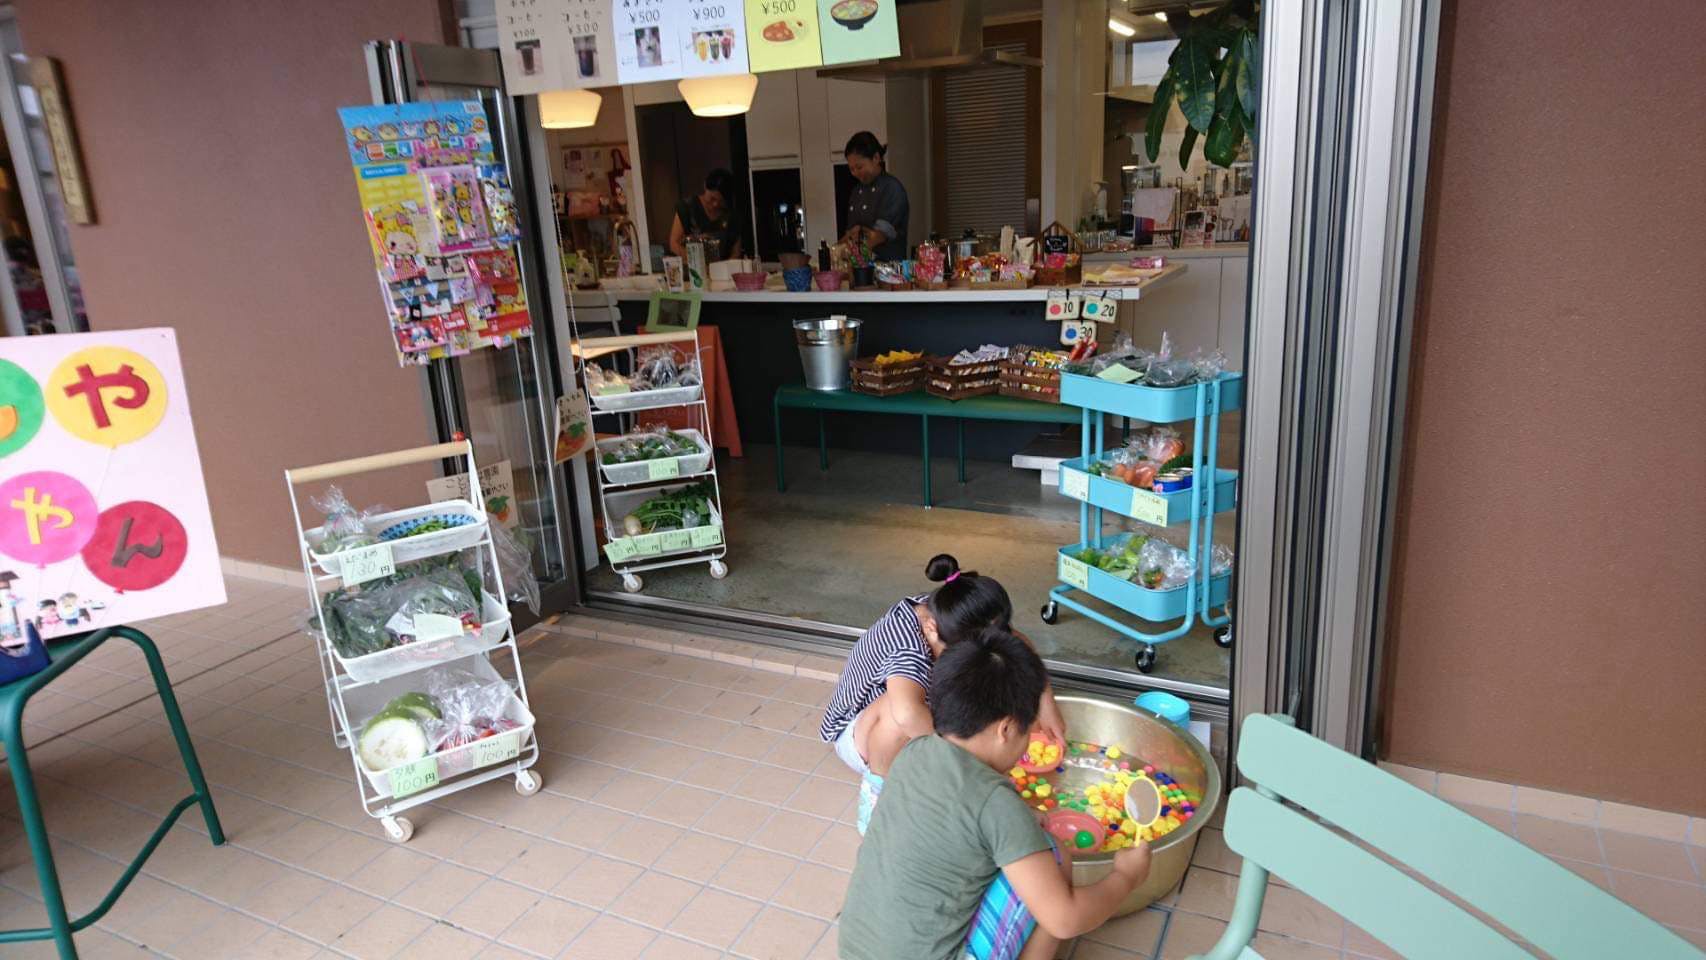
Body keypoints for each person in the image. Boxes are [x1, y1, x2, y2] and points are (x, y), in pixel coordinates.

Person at [839, 629, 1151, 960]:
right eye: (1028, 731)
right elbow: (1065, 920)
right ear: (1006, 729)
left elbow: (951, 817)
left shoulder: (914, 751)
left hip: (855, 949)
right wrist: (1126, 877)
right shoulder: (997, 803)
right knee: (1054, 855)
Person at [819, 554, 1067, 835]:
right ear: (931, 630)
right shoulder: (908, 648)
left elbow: (1017, 643)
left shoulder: (950, 609)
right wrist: (971, 768)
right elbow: (906, 715)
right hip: (860, 735)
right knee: (896, 713)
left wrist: (1046, 703)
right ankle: (878, 799)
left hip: (927, 711)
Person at [840, 131, 909, 260]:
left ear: (876, 158)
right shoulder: (856, 191)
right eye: (852, 169)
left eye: (859, 167)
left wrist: (849, 251)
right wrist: (834, 250)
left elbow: (878, 236)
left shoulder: (891, 188)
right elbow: (850, 234)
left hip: (888, 267)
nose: (855, 173)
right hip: (862, 267)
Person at [668, 168, 741, 260]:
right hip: (693, 266)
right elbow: (674, 243)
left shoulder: (730, 214)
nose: (715, 204)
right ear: (705, 185)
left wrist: (724, 266)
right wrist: (697, 261)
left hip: (723, 267)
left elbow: (736, 252)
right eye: (712, 198)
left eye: (721, 201)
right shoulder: (687, 207)